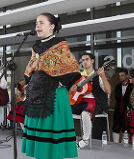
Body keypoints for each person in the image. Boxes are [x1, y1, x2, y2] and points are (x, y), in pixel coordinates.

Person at [22, 12, 81, 159]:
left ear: (52, 26)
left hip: (53, 96)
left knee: (52, 136)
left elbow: (72, 68)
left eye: (41, 22)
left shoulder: (60, 44)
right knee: (39, 138)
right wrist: (28, 85)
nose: (37, 26)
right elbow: (30, 69)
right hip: (36, 94)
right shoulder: (35, 47)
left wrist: (60, 83)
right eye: (36, 23)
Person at [70, 53, 111, 148]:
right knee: (62, 109)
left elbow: (108, 90)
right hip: (80, 102)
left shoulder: (98, 75)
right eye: (82, 60)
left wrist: (103, 76)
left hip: (95, 103)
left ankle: (85, 140)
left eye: (86, 59)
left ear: (92, 61)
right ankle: (65, 137)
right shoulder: (79, 76)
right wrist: (71, 89)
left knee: (85, 114)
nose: (84, 62)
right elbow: (72, 91)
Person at [112, 68, 133, 143]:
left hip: (127, 110)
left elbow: (131, 98)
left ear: (127, 76)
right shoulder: (118, 86)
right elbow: (116, 97)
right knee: (116, 127)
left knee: (126, 127)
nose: (120, 77)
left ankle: (125, 145)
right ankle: (116, 143)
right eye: (119, 75)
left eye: (122, 75)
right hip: (118, 109)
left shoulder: (131, 86)